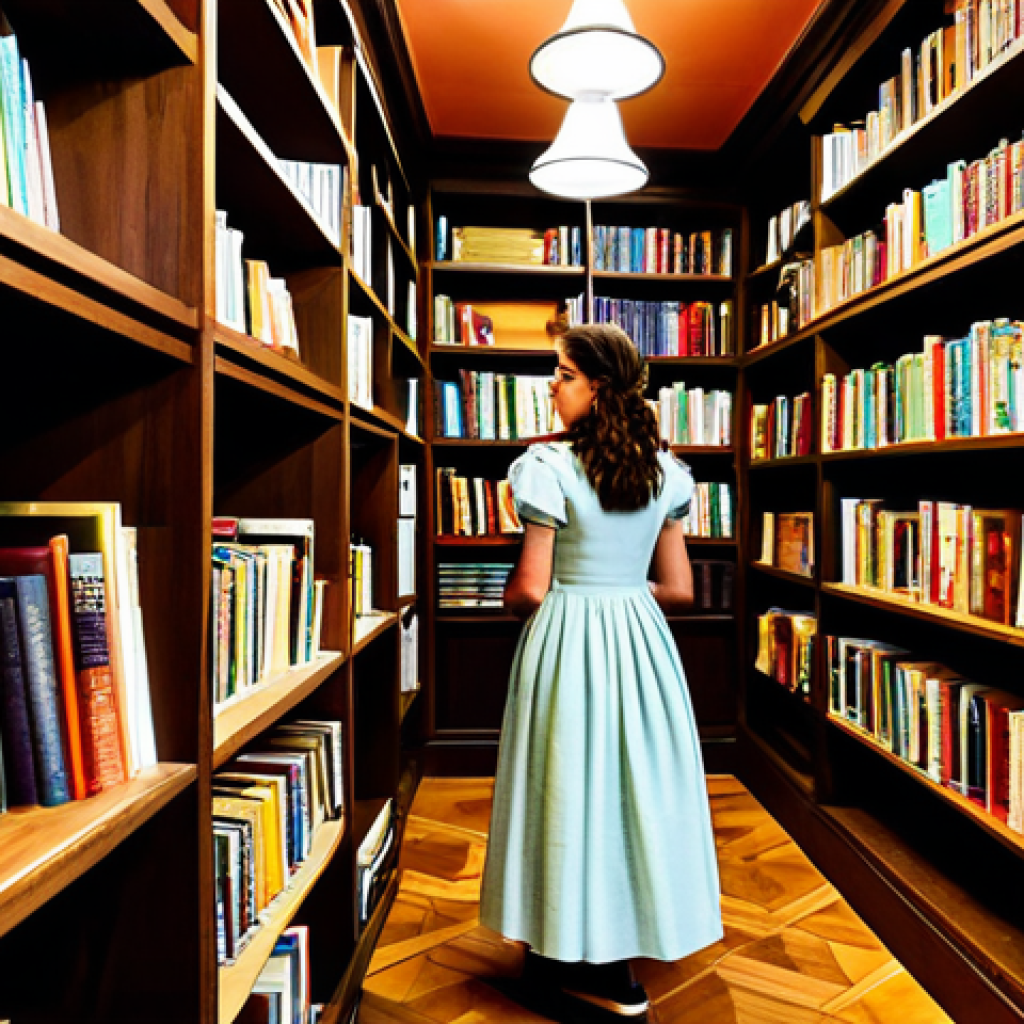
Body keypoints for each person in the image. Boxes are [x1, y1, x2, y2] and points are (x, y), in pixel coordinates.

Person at [479, 323, 723, 1021]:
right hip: (640, 644)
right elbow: (679, 590)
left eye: (563, 374)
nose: (551, 386)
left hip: (566, 640)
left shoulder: (546, 468)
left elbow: (530, 590)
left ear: (597, 387)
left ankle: (560, 952)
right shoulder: (667, 474)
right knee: (629, 791)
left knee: (560, 787)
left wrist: (553, 598)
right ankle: (615, 956)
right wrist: (619, 596)